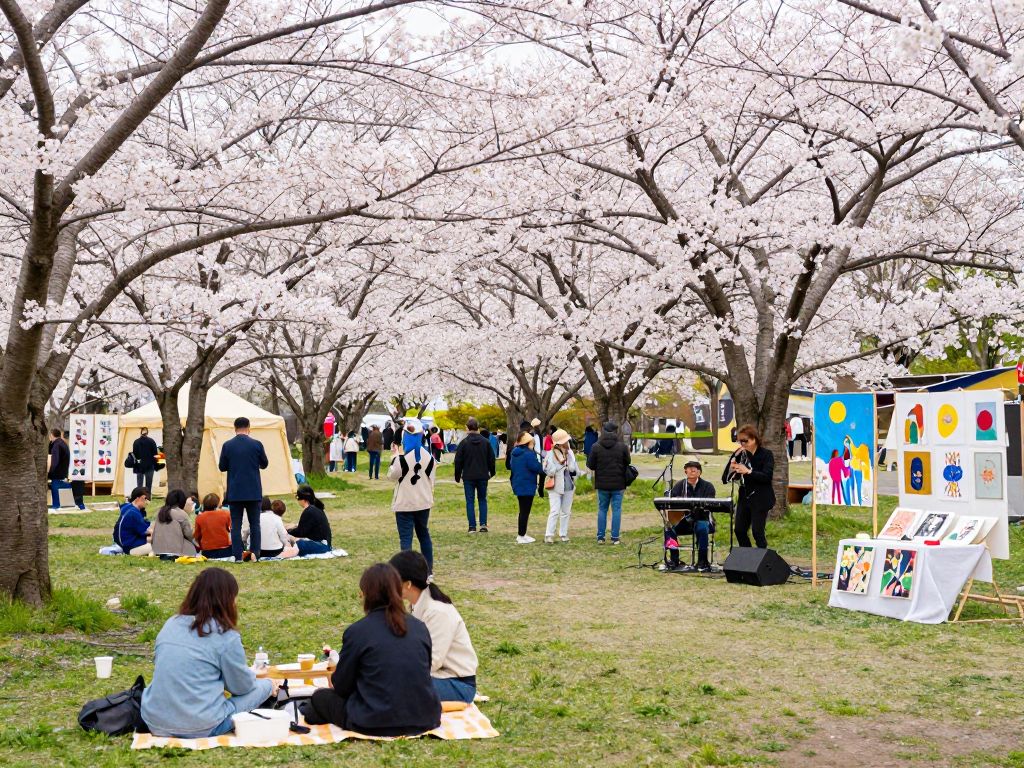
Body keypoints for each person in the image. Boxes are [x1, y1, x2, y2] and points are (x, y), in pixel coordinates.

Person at [301, 564, 441, 735]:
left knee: (319, 698)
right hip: (425, 717)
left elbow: (342, 686)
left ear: (367, 595)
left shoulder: (358, 631)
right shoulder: (419, 627)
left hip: (373, 720)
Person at [141, 568, 277, 738]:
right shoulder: (225, 635)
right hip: (202, 726)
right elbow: (241, 687)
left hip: (154, 721)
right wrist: (261, 680)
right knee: (265, 686)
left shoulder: (171, 624)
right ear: (227, 600)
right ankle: (272, 686)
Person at [389, 551, 478, 703]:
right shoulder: (418, 605)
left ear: (408, 584)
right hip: (438, 677)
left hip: (459, 685)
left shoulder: (437, 611)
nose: (389, 585)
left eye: (392, 580)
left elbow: (432, 661)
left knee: (393, 685)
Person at [218, 416, 269, 561]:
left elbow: (222, 467)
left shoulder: (227, 445)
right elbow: (264, 464)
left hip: (235, 491)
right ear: (249, 428)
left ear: (235, 429)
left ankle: (238, 554)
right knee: (255, 524)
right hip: (253, 490)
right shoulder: (256, 444)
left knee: (236, 524)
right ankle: (255, 554)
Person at [388, 418, 437, 570]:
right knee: (424, 535)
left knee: (406, 539)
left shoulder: (401, 459)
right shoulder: (429, 458)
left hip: (404, 504)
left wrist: (394, 456)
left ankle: (407, 571)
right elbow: (432, 481)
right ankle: (428, 570)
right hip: (423, 502)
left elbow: (391, 476)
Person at [722, 424, 775, 549]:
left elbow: (767, 477)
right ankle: (747, 557)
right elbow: (725, 479)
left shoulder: (766, 454)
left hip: (761, 497)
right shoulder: (739, 454)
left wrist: (748, 471)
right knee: (739, 530)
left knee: (757, 532)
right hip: (744, 497)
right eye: (740, 441)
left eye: (745, 440)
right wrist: (732, 466)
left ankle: (762, 559)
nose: (742, 444)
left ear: (754, 439)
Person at [665, 461, 716, 571]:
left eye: (695, 468)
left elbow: (709, 506)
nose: (692, 470)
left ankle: (702, 561)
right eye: (689, 468)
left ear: (700, 472)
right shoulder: (679, 486)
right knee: (668, 529)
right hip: (685, 521)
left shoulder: (708, 486)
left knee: (702, 527)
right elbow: (673, 504)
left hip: (703, 519)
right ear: (685, 471)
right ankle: (674, 559)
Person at [587, 421, 631, 544]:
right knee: (616, 509)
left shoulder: (596, 446)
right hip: (618, 483)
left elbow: (590, 464)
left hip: (602, 483)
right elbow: (628, 461)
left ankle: (600, 537)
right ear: (615, 432)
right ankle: (615, 537)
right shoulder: (622, 447)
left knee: (602, 509)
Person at [453, 417, 495, 533]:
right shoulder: (486, 442)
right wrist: (492, 472)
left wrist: (457, 475)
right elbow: (491, 459)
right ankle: (483, 524)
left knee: (470, 501)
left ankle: (472, 526)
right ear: (477, 427)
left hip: (468, 476)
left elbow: (458, 461)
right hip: (482, 475)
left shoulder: (464, 443)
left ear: (467, 428)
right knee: (482, 499)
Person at [508, 431, 544, 544]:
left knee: (522, 510)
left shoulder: (514, 453)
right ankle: (521, 535)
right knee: (525, 511)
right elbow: (537, 468)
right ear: (528, 442)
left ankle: (522, 533)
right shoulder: (529, 454)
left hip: (518, 484)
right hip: (527, 485)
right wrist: (543, 464)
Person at [543, 429, 578, 543]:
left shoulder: (570, 453)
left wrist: (568, 460)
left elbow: (574, 469)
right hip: (555, 486)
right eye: (565, 441)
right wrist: (560, 465)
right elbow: (549, 471)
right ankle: (549, 535)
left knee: (566, 511)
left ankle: (563, 533)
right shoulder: (550, 453)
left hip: (568, 484)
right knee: (555, 511)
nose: (567, 443)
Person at [287, 484, 333, 555]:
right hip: (324, 543)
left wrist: (287, 532)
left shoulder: (309, 511)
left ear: (303, 499)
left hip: (322, 545)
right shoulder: (315, 508)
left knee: (296, 542)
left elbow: (301, 532)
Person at [150, 489, 198, 557]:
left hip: (158, 549)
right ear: (182, 501)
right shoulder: (181, 514)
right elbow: (189, 535)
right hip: (176, 550)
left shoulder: (159, 512)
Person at [113, 487, 152, 556]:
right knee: (157, 544)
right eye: (145, 499)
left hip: (122, 542)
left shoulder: (127, 507)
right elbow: (145, 531)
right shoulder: (134, 513)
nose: (147, 502)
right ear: (138, 498)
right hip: (129, 546)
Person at [194, 493, 232, 559]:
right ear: (217, 503)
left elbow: (196, 536)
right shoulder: (226, 514)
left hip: (207, 552)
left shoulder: (199, 517)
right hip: (225, 550)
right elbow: (231, 529)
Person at [47, 427, 71, 509]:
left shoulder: (57, 445)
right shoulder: (62, 443)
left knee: (55, 486)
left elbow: (55, 460)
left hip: (58, 471)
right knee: (59, 484)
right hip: (63, 469)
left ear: (52, 435)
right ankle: (61, 503)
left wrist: (50, 471)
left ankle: (56, 505)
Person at [132, 427, 159, 496]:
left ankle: (139, 496)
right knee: (148, 484)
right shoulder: (152, 441)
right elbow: (155, 454)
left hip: (139, 465)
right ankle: (147, 497)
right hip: (150, 465)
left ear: (141, 432)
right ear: (147, 433)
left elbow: (134, 454)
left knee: (139, 484)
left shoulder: (136, 442)